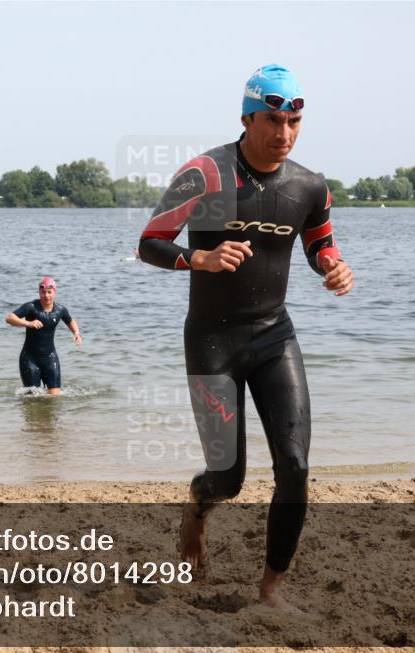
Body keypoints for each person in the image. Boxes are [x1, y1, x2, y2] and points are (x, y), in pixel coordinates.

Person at [138, 64, 355, 608]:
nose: (284, 133)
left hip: (273, 337)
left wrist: (332, 265)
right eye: (273, 120)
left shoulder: (309, 186)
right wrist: (200, 257)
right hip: (212, 341)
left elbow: (317, 243)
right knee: (228, 478)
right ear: (247, 118)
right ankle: (196, 507)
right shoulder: (207, 174)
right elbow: (150, 242)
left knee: (296, 466)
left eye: (294, 122)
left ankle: (271, 589)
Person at [5, 277, 82, 396]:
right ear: (39, 292)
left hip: (50, 358)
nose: (46, 295)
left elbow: (70, 321)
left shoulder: (60, 310)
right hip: (30, 359)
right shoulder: (31, 307)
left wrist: (76, 333)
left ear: (54, 292)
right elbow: (9, 318)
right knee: (32, 398)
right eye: (43, 292)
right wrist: (28, 323)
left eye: (49, 292)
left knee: (55, 396)